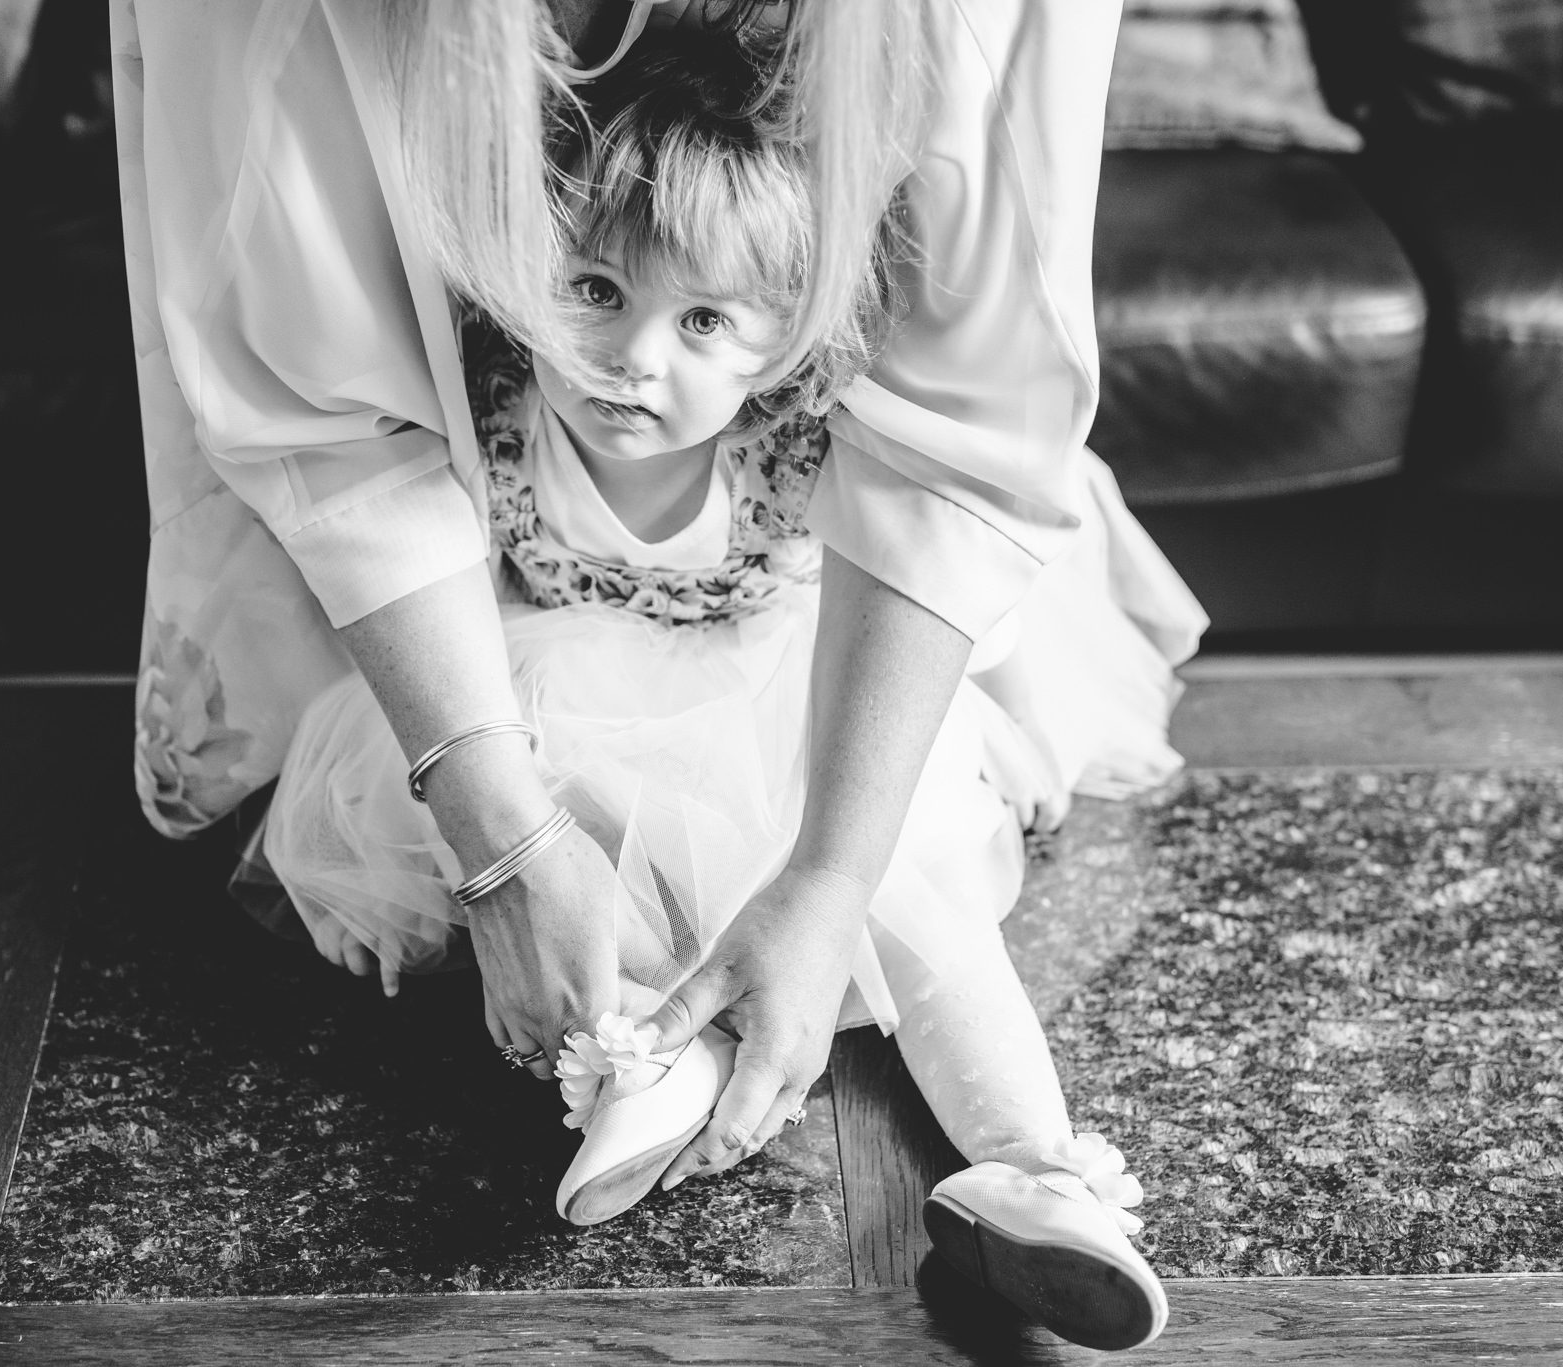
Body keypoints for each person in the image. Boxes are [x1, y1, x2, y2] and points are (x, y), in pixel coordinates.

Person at [115, 0, 1204, 1350]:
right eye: (593, 295)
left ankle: (1044, 1174)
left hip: (775, 684)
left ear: (786, 350)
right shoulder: (498, 406)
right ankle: (650, 1080)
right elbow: (343, 448)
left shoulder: (801, 444)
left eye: (703, 324)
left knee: (916, 892)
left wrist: (920, 796)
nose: (632, 362)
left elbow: (957, 494)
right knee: (614, 880)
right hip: (565, 688)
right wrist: (496, 832)